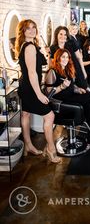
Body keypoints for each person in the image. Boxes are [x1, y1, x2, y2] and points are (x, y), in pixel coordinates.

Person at [15, 19, 61, 163]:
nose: (32, 30)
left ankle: (28, 146)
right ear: (23, 31)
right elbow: (32, 73)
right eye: (28, 28)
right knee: (49, 116)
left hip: (26, 86)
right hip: (30, 88)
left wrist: (47, 55)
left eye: (34, 27)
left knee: (26, 114)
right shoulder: (29, 47)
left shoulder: (27, 45)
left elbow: (41, 68)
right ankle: (51, 150)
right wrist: (39, 94)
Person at [46, 49, 90, 136]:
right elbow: (48, 94)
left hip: (70, 96)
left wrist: (78, 89)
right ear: (58, 58)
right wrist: (61, 87)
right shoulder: (52, 72)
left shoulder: (67, 70)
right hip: (61, 101)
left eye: (67, 57)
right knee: (89, 96)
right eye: (63, 57)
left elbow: (72, 86)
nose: (66, 59)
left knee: (89, 104)